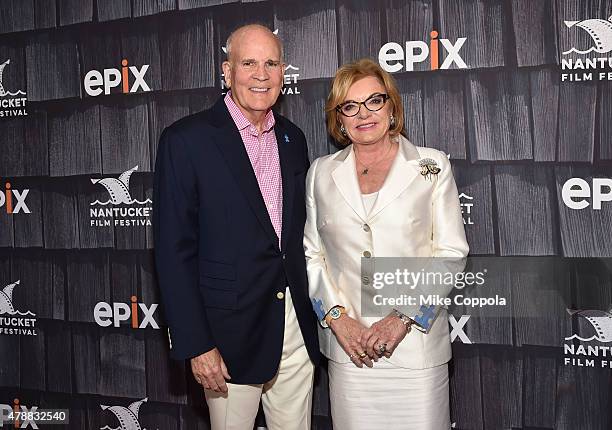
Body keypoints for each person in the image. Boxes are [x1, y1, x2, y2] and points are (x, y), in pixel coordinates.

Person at [153, 24, 319, 430]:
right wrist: (197, 343)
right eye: (248, 63)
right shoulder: (186, 140)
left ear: (284, 72)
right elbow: (173, 252)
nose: (261, 74)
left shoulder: (293, 139)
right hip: (227, 335)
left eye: (271, 63)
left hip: (295, 328)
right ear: (226, 72)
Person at [304, 58, 469, 429]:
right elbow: (312, 255)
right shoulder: (320, 172)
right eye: (350, 106)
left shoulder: (432, 165)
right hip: (351, 352)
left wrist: (402, 318)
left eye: (374, 101)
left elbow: (451, 253)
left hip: (416, 352)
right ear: (339, 119)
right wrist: (337, 319)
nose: (364, 113)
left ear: (392, 107)